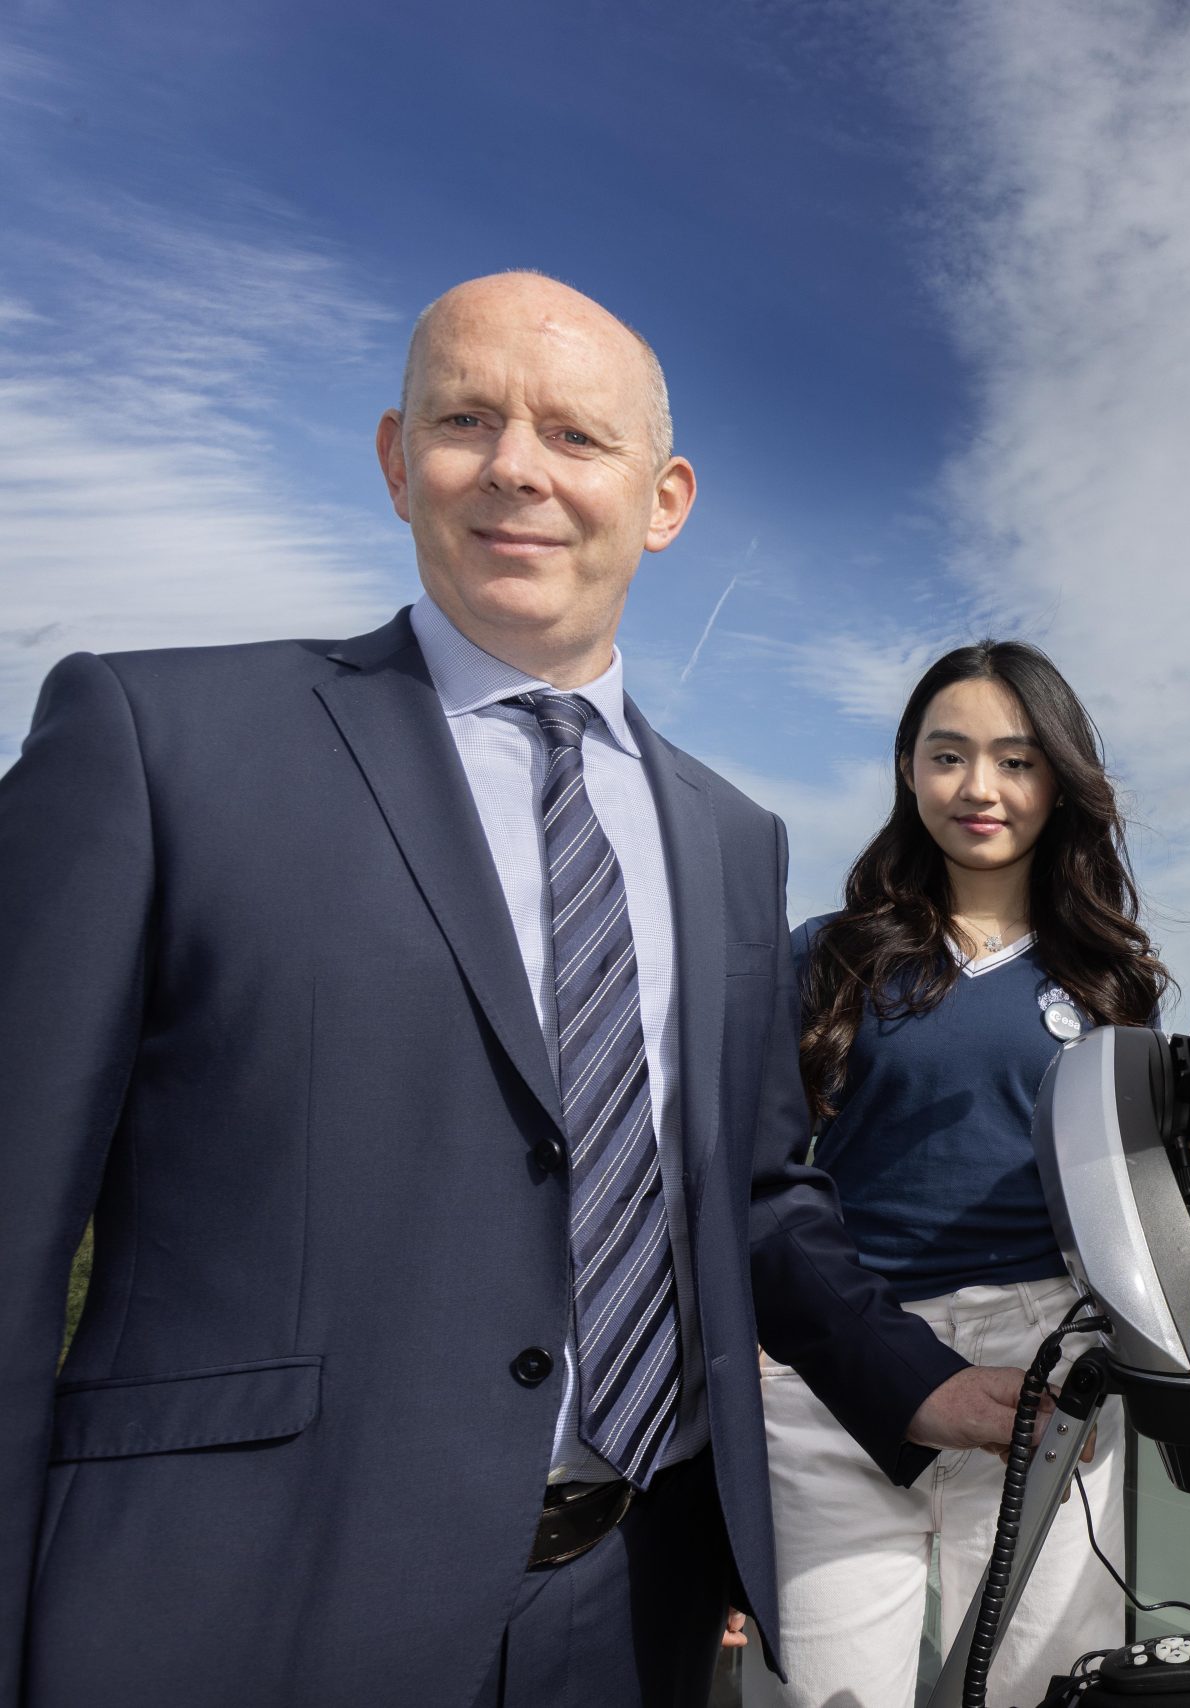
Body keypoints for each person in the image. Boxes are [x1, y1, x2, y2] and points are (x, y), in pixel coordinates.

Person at [0, 271, 1026, 1708]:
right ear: (394, 457)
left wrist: (912, 1382)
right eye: (466, 418)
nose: (517, 468)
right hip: (237, 1610)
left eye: (575, 436)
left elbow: (737, 1189)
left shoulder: (733, 839)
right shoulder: (153, 739)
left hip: (634, 1610)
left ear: (663, 500)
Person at [748, 641, 1169, 1708]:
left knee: (1042, 1689)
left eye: (1017, 760)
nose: (979, 788)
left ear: (1060, 779)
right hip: (837, 1373)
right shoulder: (826, 955)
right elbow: (750, 1179)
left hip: (1050, 1378)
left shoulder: (1114, 979)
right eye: (947, 755)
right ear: (906, 769)